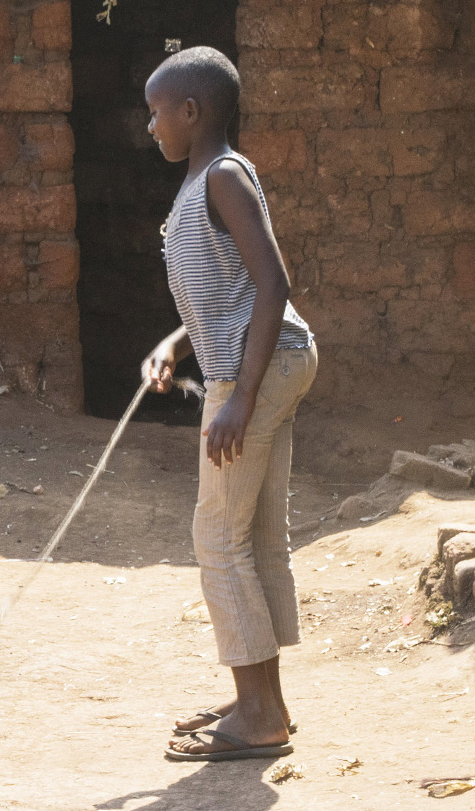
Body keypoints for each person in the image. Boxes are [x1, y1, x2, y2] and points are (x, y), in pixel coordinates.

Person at [140, 47, 317, 763]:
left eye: (157, 112)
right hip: (267, 360)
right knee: (254, 532)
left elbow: (272, 283)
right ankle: (261, 699)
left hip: (260, 369)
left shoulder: (223, 177)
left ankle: (258, 715)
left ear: (192, 111)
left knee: (217, 536)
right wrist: (176, 346)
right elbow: (228, 292)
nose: (150, 126)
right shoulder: (198, 188)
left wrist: (240, 397)